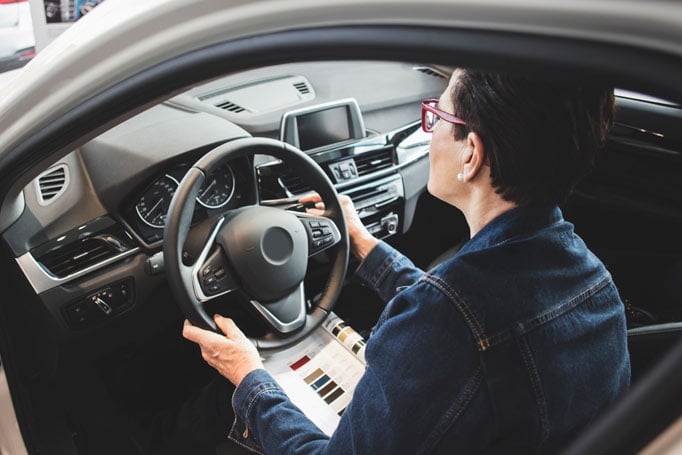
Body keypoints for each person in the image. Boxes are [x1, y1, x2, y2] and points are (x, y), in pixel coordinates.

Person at [182, 68, 630, 453]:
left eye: (436, 115)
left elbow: (450, 323)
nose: (428, 128)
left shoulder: (444, 323)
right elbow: (465, 315)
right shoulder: (593, 282)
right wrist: (363, 244)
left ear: (470, 154)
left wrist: (248, 378)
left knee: (223, 405)